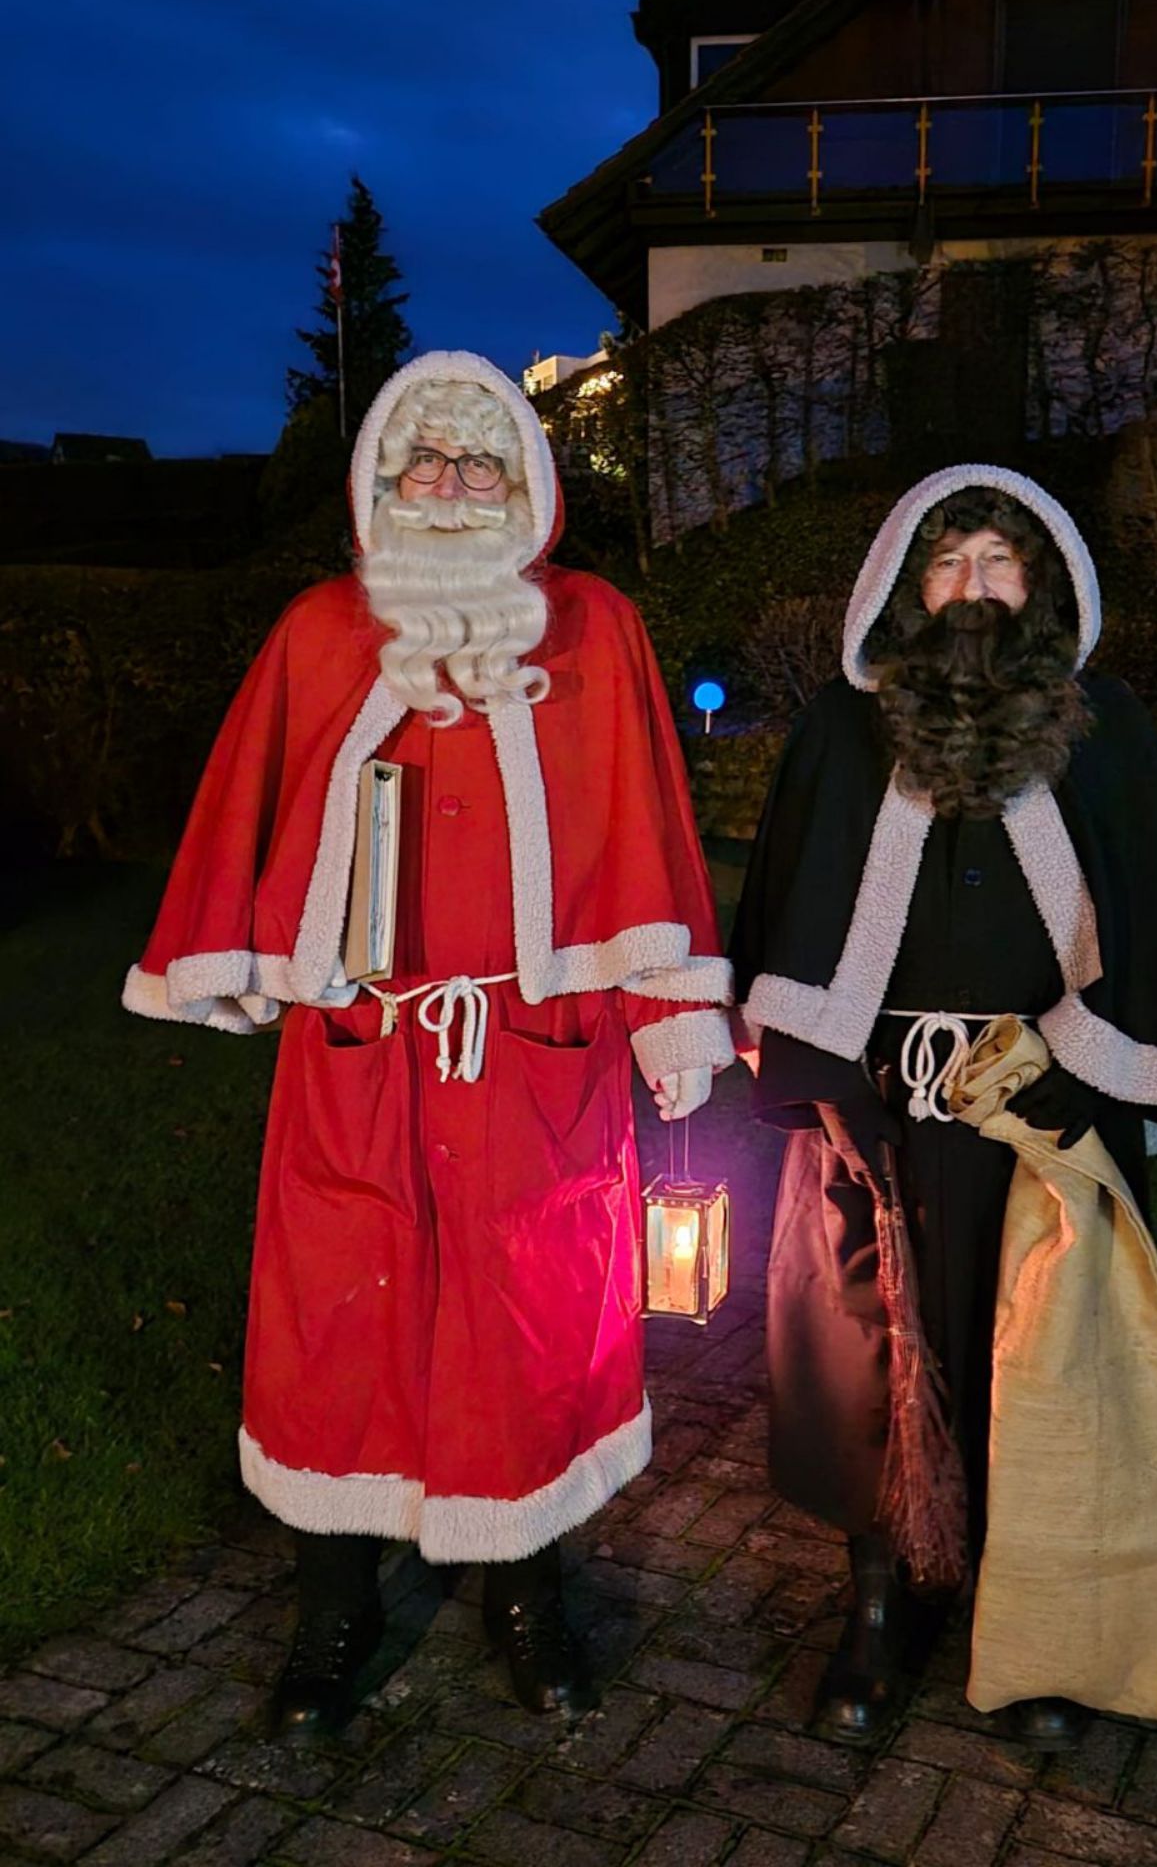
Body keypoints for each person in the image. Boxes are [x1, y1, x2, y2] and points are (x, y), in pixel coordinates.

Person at [125, 352, 733, 1735]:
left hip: (538, 1053)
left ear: (524, 485)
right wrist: (239, 965)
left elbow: (645, 830)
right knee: (341, 1322)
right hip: (364, 1048)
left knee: (529, 1323)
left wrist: (667, 1015)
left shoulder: (595, 628)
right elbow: (248, 801)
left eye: (477, 463)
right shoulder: (318, 632)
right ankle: (333, 1608)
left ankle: (526, 1594)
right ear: (380, 485)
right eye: (424, 462)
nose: (449, 486)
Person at [731, 466, 1157, 1749]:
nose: (972, 586)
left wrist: (1078, 1060)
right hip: (882, 1106)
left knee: (1045, 1357)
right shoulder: (840, 729)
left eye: (998, 560)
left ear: (1042, 582)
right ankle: (884, 1599)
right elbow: (789, 915)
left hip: (1046, 1111)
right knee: (870, 1353)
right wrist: (829, 1082)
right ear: (904, 587)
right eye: (947, 563)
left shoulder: (1106, 727)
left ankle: (1032, 1614)